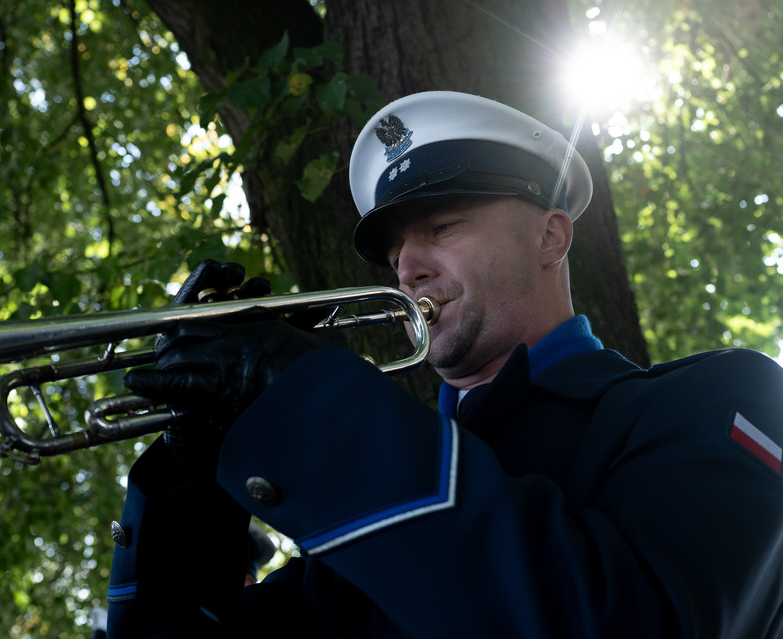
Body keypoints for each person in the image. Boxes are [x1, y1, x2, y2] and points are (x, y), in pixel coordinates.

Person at [104, 91, 783, 637]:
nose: (407, 267)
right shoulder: (358, 528)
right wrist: (191, 472)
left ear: (550, 237)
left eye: (442, 226)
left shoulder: (726, 394)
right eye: (396, 250)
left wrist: (310, 402)